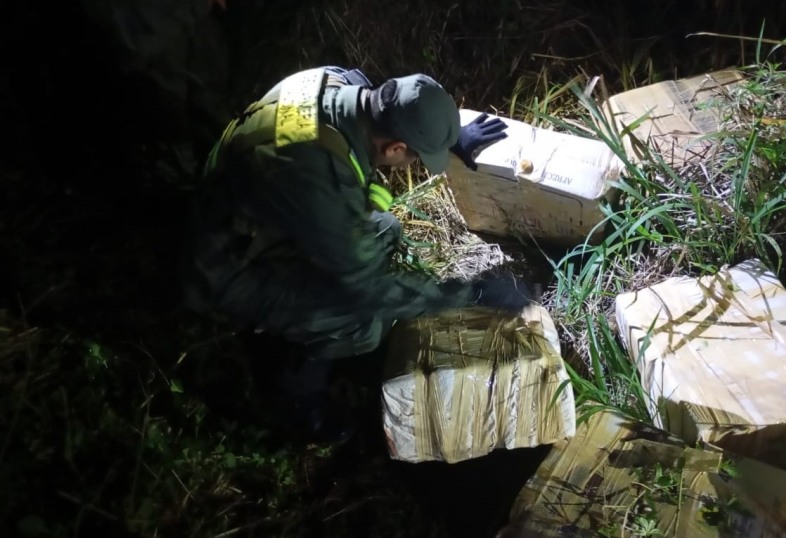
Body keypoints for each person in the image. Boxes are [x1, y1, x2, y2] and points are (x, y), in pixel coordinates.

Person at [181, 65, 531, 445]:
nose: (410, 164)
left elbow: (384, 101)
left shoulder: (338, 84)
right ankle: (297, 401)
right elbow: (371, 289)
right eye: (414, 156)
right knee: (364, 324)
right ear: (395, 148)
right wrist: (474, 296)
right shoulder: (317, 176)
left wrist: (447, 139)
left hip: (262, 211)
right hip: (228, 265)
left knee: (386, 228)